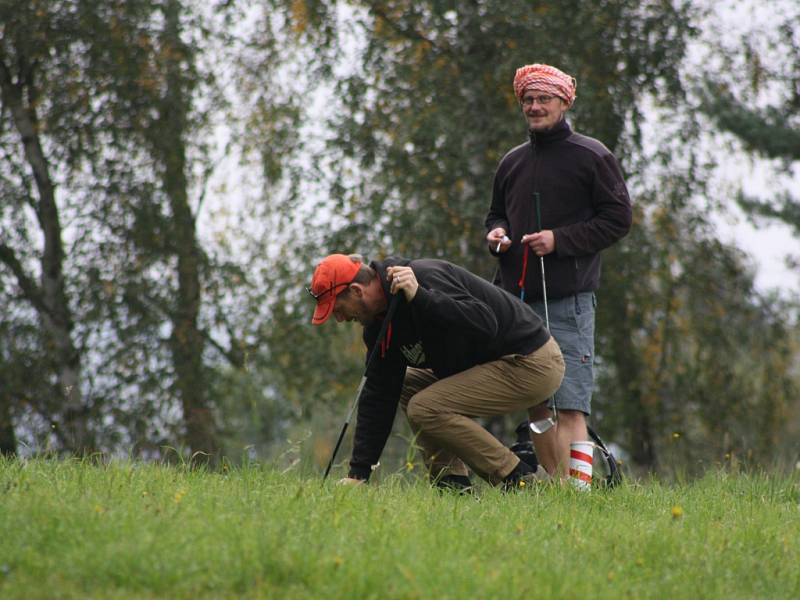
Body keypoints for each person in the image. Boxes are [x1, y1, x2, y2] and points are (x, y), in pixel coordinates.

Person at [485, 63, 632, 477]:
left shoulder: (593, 155)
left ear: (564, 102)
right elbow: (496, 214)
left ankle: (579, 496)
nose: (534, 106)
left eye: (543, 99)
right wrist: (496, 233)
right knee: (538, 402)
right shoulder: (511, 162)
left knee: (570, 402)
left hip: (570, 300)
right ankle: (554, 491)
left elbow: (618, 219)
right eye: (528, 100)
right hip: (516, 301)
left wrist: (559, 240)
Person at [308, 253, 565, 490]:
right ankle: (452, 486)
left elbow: (485, 324)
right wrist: (359, 474)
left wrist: (421, 298)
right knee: (407, 383)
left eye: (339, 310)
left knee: (425, 407)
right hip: (494, 365)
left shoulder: (424, 275)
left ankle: (522, 482)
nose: (340, 319)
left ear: (356, 290)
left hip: (531, 361)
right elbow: (378, 394)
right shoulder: (378, 327)